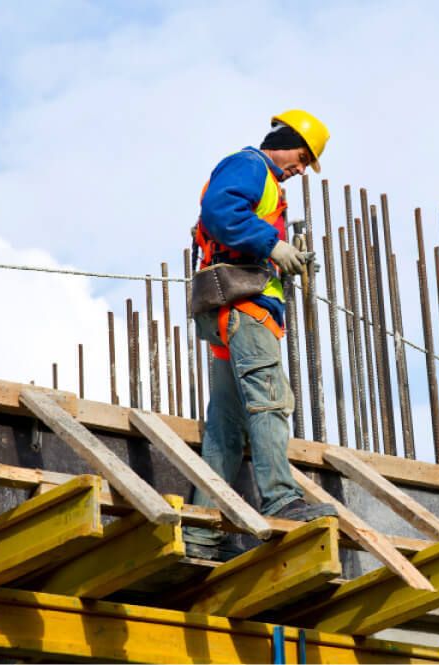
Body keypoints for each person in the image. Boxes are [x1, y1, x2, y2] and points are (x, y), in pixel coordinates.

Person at [183, 110, 337, 561]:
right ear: (284, 140)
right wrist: (272, 246)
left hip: (232, 311)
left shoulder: (266, 183)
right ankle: (281, 498)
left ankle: (203, 531)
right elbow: (219, 212)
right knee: (271, 402)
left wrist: (281, 255)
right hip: (245, 311)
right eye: (303, 157)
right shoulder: (251, 166)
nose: (302, 169)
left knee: (226, 430)